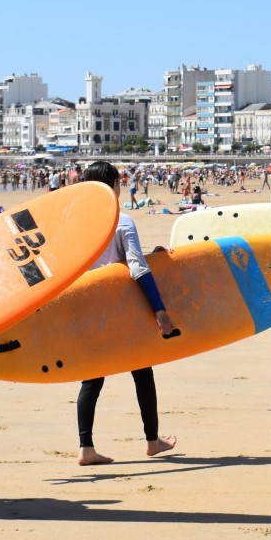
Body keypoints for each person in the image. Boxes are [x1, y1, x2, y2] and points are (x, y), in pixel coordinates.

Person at [75, 161, 180, 465]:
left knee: (91, 380)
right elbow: (136, 267)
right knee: (142, 372)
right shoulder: (121, 220)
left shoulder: (75, 224)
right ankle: (152, 440)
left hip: (88, 309)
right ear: (114, 186)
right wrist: (159, 310)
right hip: (123, 309)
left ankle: (86, 448)